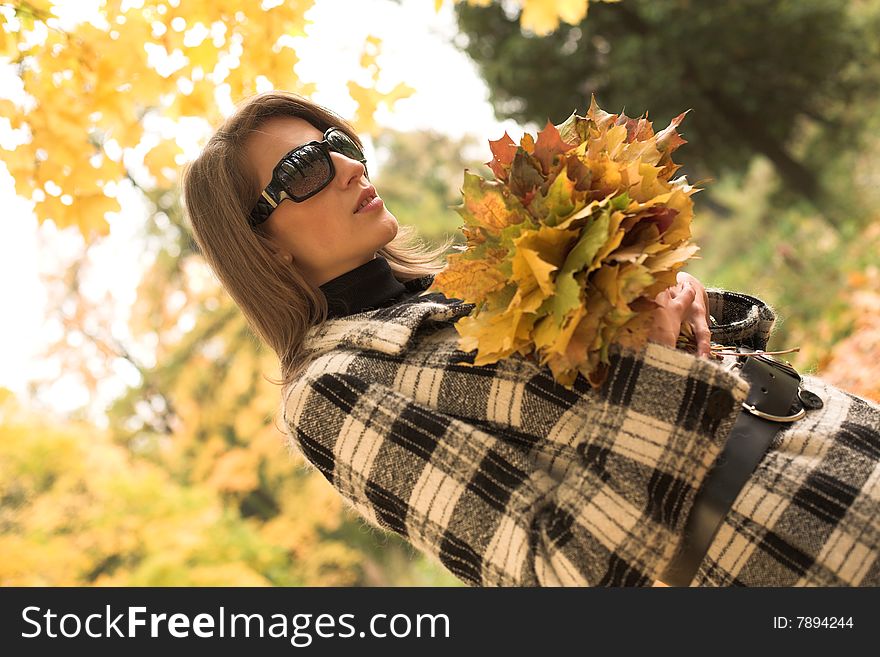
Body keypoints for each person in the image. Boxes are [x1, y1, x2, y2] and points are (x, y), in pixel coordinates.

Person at [181, 90, 880, 587]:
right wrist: (659, 362)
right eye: (304, 168)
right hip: (806, 555)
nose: (349, 166)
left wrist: (678, 299)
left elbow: (706, 347)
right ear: (261, 245)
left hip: (852, 441)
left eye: (339, 144)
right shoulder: (330, 392)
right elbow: (561, 570)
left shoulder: (468, 283)